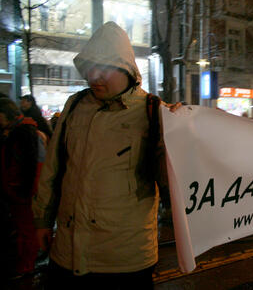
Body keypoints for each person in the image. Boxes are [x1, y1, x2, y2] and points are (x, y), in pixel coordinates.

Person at [32, 22, 180, 290]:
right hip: (67, 252)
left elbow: (178, 179)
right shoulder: (75, 105)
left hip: (125, 261)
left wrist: (182, 131)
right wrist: (43, 220)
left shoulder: (155, 112)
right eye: (89, 66)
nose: (94, 75)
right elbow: (53, 169)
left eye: (104, 67)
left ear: (126, 69)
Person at [0, 98, 44, 279]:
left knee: (27, 230)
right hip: (16, 191)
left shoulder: (26, 134)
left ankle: (26, 266)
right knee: (22, 229)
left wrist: (23, 190)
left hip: (22, 193)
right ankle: (23, 262)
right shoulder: (15, 132)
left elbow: (33, 168)